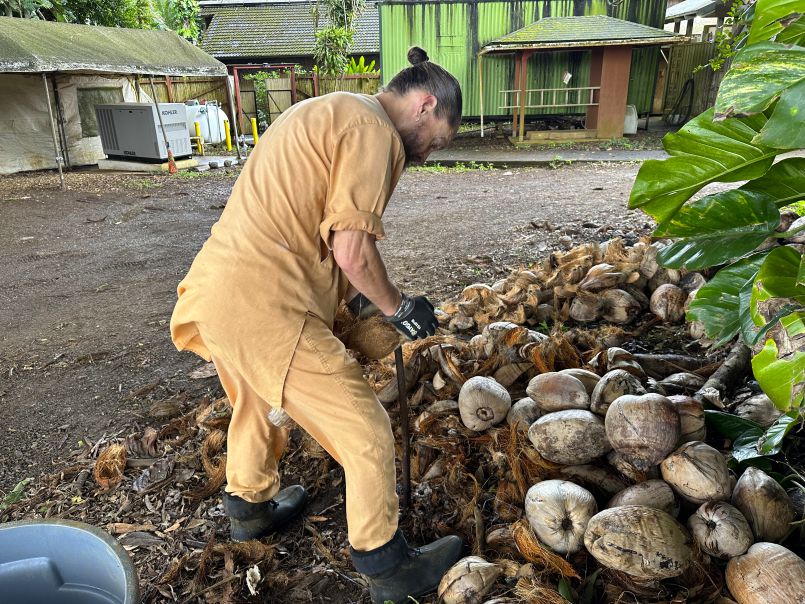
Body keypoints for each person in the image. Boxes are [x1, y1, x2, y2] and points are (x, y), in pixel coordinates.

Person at [170, 47, 464, 603]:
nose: (429, 154)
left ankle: (250, 507)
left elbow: (312, 224)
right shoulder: (372, 130)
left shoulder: (332, 110)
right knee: (366, 431)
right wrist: (399, 307)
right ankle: (387, 565)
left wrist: (356, 304)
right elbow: (351, 250)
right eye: (439, 139)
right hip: (266, 302)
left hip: (221, 289)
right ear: (425, 105)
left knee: (257, 401)